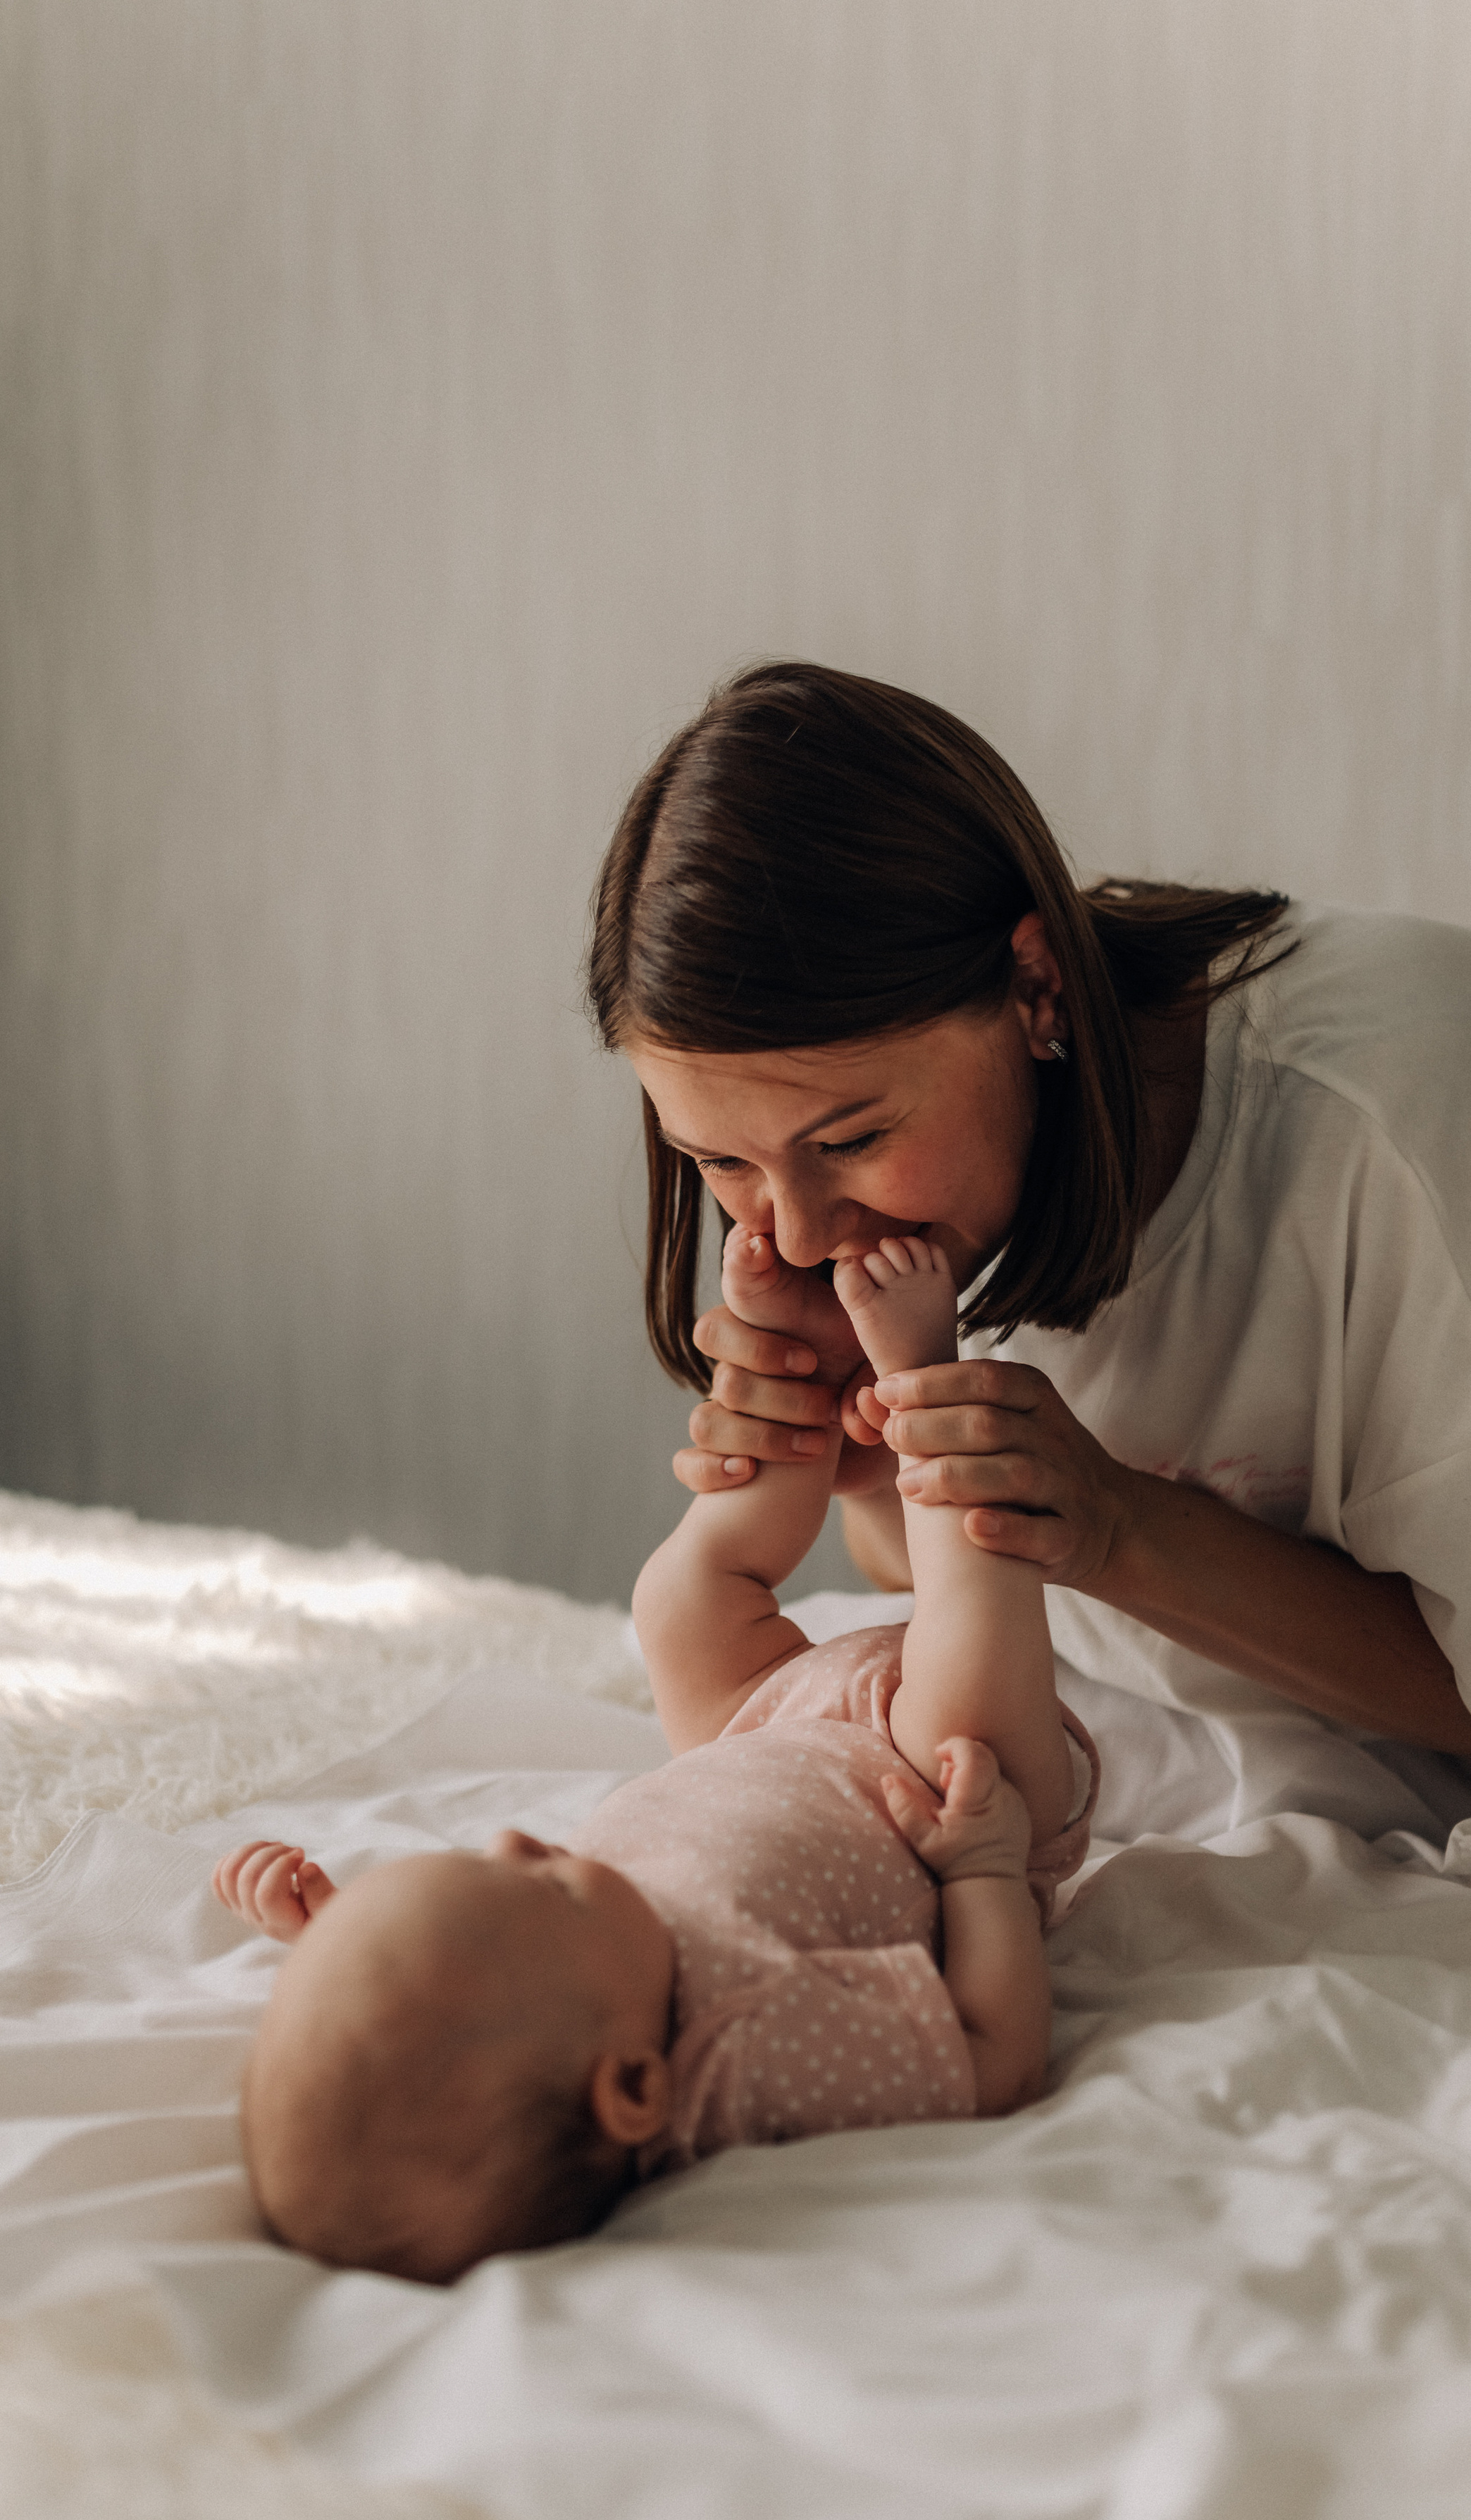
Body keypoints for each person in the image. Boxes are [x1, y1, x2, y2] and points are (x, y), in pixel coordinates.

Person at [585, 660, 1471, 1773]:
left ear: (1038, 989)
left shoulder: (1395, 1140)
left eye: (850, 1140)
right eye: (720, 1158)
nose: (800, 1236)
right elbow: (929, 1568)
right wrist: (866, 1464)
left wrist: (1119, 1526)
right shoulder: (928, 1154)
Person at [211, 1225, 1096, 2286]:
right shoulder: (742, 2051)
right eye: (546, 1886)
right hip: (935, 1782)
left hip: (762, 1729)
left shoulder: (538, 1988)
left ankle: (786, 1370)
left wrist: (331, 1934)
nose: (512, 1839)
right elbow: (991, 2060)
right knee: (968, 1696)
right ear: (632, 2086)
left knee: (676, 1609)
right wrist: (985, 1870)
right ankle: (923, 1383)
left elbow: (441, 1985)